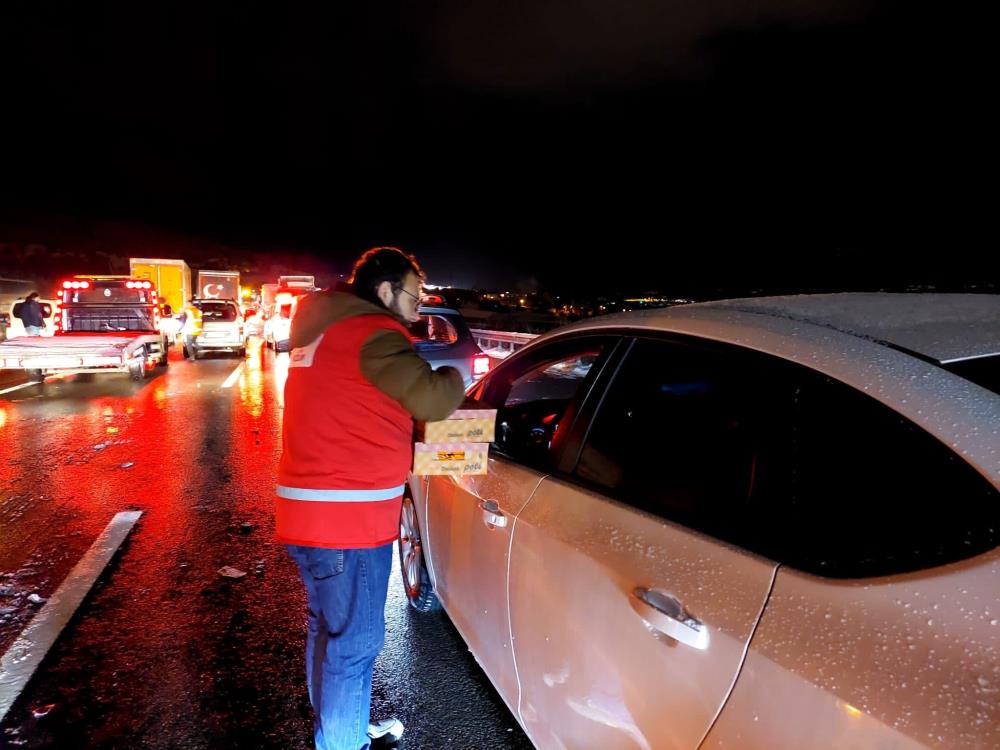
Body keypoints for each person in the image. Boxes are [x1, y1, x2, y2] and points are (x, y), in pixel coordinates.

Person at [277, 247, 465, 750]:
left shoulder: (324, 329)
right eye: (414, 293)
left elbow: (361, 407)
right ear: (384, 291)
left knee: (328, 632)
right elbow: (433, 399)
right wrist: (455, 377)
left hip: (309, 515)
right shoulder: (373, 335)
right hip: (348, 521)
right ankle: (341, 742)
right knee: (355, 647)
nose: (420, 305)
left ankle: (340, 729)